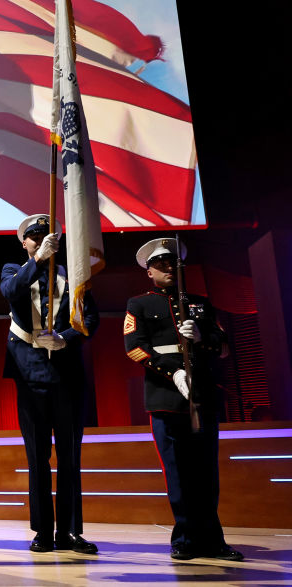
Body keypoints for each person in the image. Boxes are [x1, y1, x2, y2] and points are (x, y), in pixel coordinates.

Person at [124, 238, 243, 561]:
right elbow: (134, 347)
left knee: (206, 471)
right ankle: (186, 537)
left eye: (172, 263)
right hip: (165, 398)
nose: (168, 268)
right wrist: (173, 372)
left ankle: (213, 539)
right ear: (149, 271)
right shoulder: (139, 304)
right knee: (177, 472)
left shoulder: (201, 303)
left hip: (201, 395)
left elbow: (223, 345)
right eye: (160, 264)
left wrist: (204, 338)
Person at [0, 214, 99, 554]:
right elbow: (11, 293)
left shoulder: (71, 275)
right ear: (25, 242)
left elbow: (90, 319)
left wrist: (67, 338)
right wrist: (39, 259)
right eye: (34, 236)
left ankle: (70, 531)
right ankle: (43, 530)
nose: (40, 239)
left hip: (65, 373)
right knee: (38, 457)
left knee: (70, 455)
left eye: (46, 235)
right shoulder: (14, 270)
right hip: (29, 374)